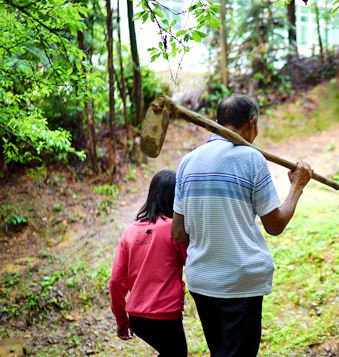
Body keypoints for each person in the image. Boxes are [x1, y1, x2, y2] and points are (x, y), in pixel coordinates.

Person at [172, 94, 312, 357]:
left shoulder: (187, 163)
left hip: (202, 282)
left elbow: (178, 232)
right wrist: (297, 187)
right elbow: (275, 224)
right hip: (240, 282)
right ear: (252, 122)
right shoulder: (251, 159)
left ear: (217, 122)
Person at [109, 169, 188, 356]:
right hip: (166, 314)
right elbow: (190, 261)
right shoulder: (174, 229)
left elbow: (115, 281)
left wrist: (121, 320)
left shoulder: (130, 231)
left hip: (138, 318)